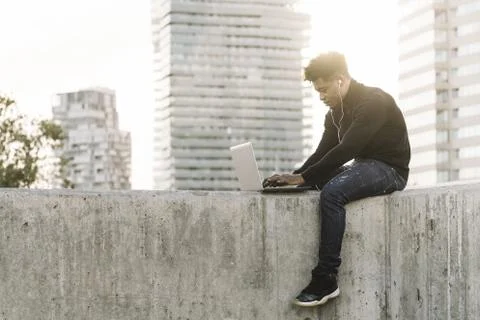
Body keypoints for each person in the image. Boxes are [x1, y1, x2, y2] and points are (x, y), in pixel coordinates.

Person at [263, 52, 411, 307]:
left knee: (332, 192)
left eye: (324, 90)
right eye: (317, 91)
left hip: (390, 170)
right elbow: (323, 153)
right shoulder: (334, 114)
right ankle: (325, 277)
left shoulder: (374, 101)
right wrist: (295, 176)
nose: (321, 97)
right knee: (314, 181)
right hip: (363, 167)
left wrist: (302, 177)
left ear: (340, 80)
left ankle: (326, 278)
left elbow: (348, 149)